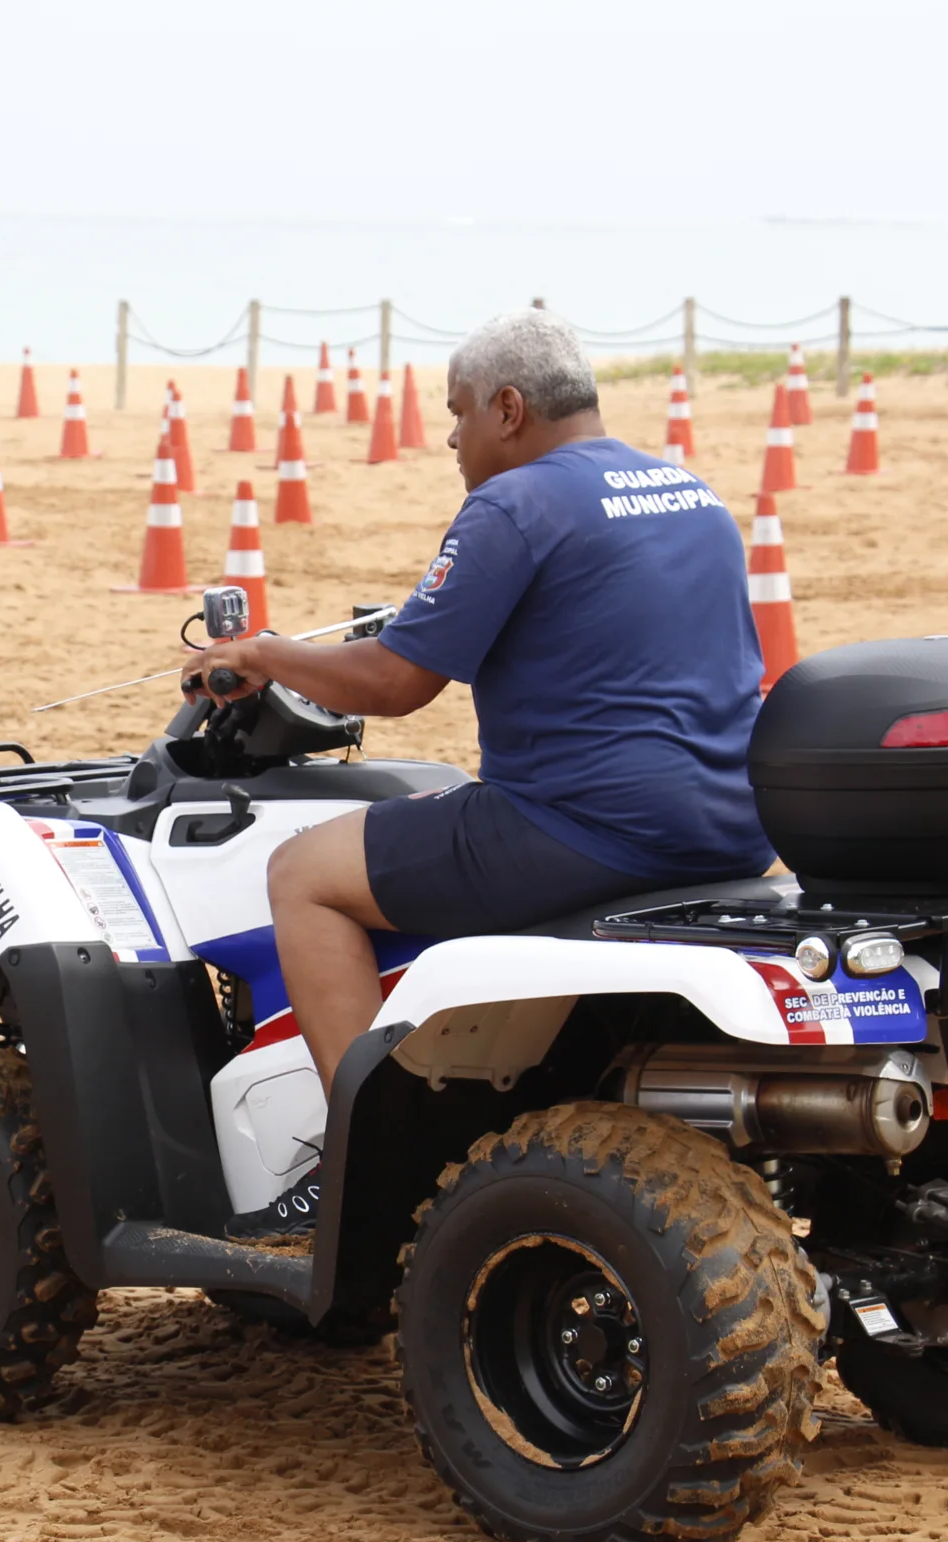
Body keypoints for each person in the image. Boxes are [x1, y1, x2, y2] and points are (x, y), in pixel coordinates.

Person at [188, 308, 777, 1237]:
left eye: (458, 412)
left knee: (303, 873)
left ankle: (360, 1160)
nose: (450, 438)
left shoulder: (514, 504)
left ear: (510, 407)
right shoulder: (687, 491)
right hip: (732, 824)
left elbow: (394, 680)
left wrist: (266, 653)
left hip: (583, 830)